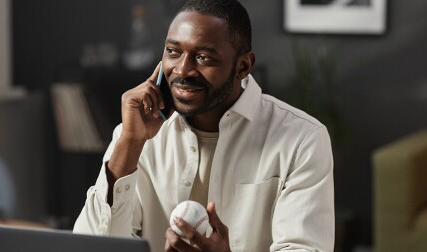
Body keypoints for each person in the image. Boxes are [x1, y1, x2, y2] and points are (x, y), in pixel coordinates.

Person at [73, 0, 335, 251]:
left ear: (243, 66)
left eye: (204, 58)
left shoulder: (303, 139)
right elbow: (90, 246)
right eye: (173, 52)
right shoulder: (135, 136)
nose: (182, 70)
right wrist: (130, 143)